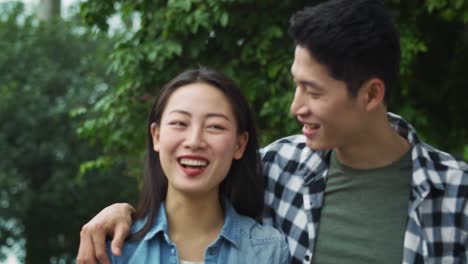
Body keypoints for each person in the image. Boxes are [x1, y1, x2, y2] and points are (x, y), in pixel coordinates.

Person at [77, 0, 468, 263]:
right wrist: (124, 212)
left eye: (313, 91)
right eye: (296, 85)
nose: (295, 107)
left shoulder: (456, 193)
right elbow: (191, 181)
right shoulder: (278, 166)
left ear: (371, 94)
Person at [77, 67, 291, 263]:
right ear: (156, 136)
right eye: (180, 123)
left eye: (215, 126)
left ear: (239, 144)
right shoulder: (114, 248)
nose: (194, 141)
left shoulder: (268, 251)